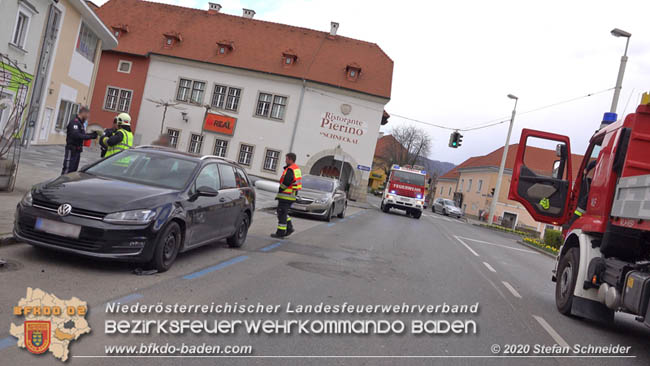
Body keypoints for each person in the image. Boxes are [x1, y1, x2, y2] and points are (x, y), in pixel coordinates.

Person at [271, 153, 302, 238]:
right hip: (291, 195)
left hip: (286, 196)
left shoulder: (290, 169)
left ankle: (280, 233)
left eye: (286, 159)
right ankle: (289, 228)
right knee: (283, 213)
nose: (285, 160)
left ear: (290, 159)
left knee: (281, 213)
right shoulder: (296, 169)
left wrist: (281, 189)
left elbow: (287, 181)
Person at [62, 106, 98, 175]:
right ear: (83, 113)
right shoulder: (74, 122)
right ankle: (60, 184)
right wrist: (90, 136)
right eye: (87, 115)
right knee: (67, 170)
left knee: (73, 171)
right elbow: (76, 135)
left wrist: (92, 135)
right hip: (71, 150)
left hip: (77, 151)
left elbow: (82, 135)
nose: (88, 118)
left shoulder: (80, 124)